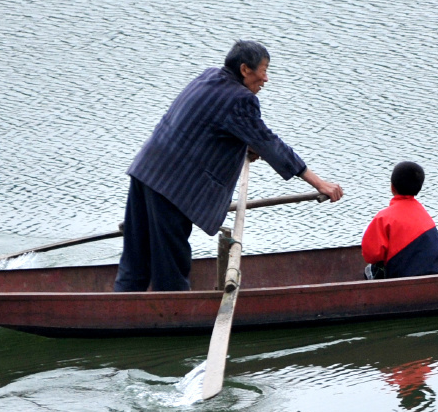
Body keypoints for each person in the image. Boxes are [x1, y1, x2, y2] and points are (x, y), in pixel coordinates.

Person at [114, 41, 343, 292]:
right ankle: (175, 319)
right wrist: (318, 182)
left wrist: (243, 146)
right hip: (171, 188)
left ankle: (119, 313)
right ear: (245, 69)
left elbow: (204, 128)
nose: (266, 79)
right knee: (170, 264)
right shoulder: (241, 99)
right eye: (263, 71)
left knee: (135, 257)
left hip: (146, 171)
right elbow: (269, 143)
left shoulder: (209, 76)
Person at [361, 162, 438, 279]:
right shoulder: (423, 212)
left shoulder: (383, 217)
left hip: (403, 277)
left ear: (392, 187)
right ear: (419, 188)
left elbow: (371, 255)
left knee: (370, 269)